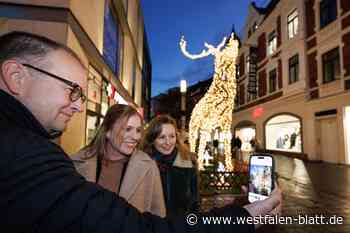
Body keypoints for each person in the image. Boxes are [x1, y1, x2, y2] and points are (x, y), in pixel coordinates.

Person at [0, 31, 282, 233]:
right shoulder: (30, 155)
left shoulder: (28, 146)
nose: (76, 106)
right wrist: (242, 218)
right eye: (72, 90)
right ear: (16, 77)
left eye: (82, 96)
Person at [73, 104, 166, 217]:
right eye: (127, 129)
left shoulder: (148, 167)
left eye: (138, 130)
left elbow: (158, 216)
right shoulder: (77, 162)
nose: (135, 137)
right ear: (107, 131)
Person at [140, 114, 199, 217]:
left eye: (172, 136)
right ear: (152, 139)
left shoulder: (189, 162)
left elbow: (194, 202)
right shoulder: (143, 164)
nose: (168, 142)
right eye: (162, 137)